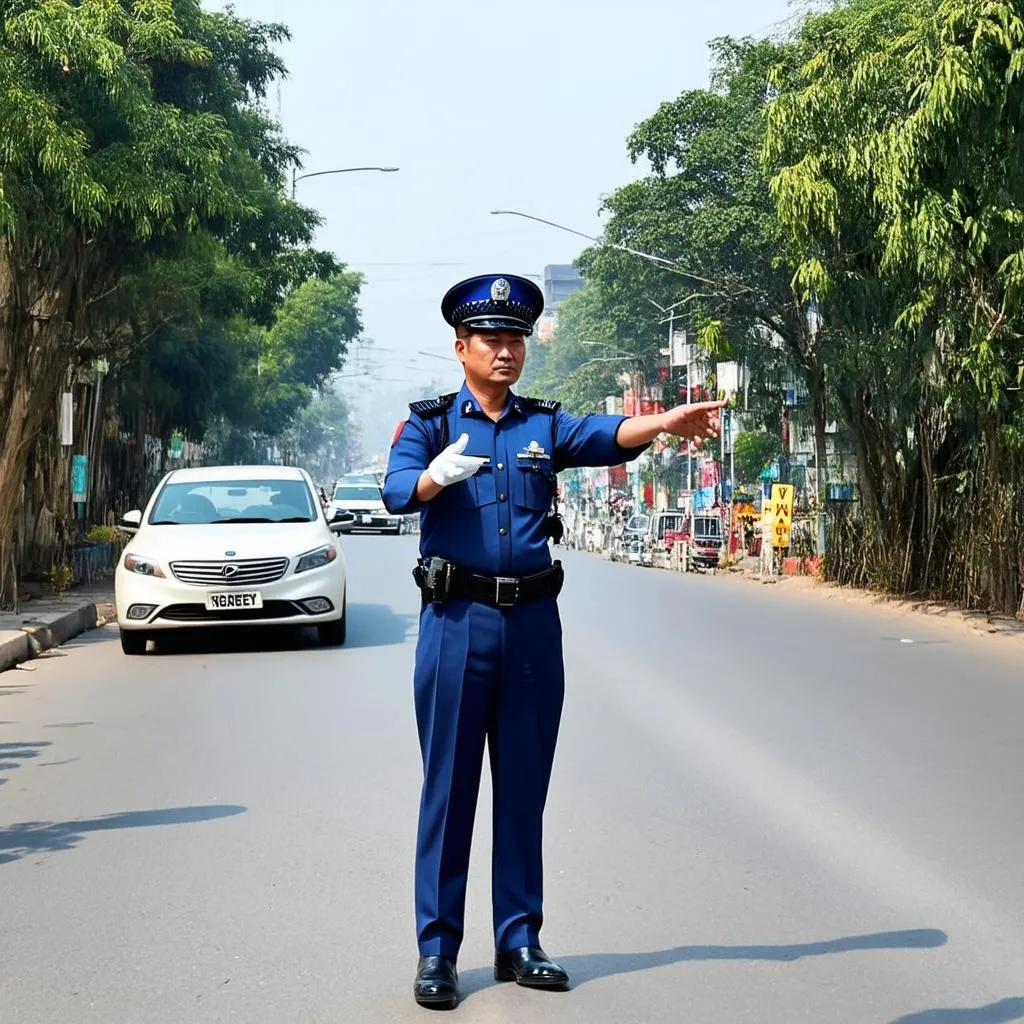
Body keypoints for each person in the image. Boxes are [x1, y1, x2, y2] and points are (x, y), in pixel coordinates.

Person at [382, 273, 724, 1010]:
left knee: (525, 789)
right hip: (456, 625)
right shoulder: (431, 424)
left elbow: (604, 435)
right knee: (449, 792)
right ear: (461, 347)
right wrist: (433, 481)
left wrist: (662, 422)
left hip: (533, 627)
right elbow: (394, 487)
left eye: (514, 340)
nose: (505, 352)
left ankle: (519, 939)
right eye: (491, 340)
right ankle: (437, 950)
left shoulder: (542, 426)